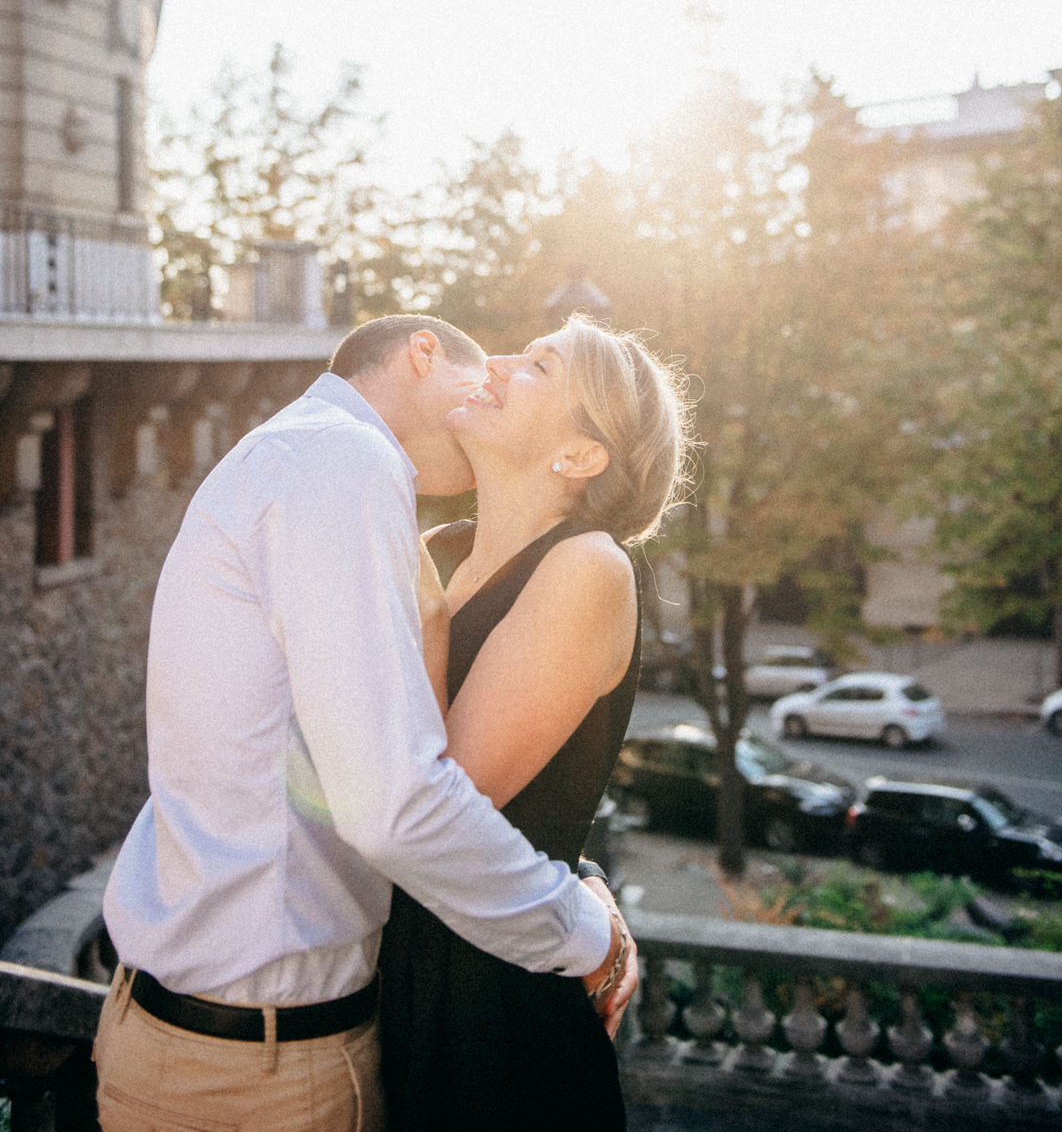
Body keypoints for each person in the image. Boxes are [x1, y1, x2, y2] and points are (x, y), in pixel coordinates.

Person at [93, 314, 633, 1132]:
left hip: (222, 1039)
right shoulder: (344, 462)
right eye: (498, 358)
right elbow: (397, 803)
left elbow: (438, 775)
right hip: (257, 1063)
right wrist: (587, 929)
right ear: (422, 353)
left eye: (536, 366)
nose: (496, 368)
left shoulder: (315, 461)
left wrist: (571, 863)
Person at [379, 314, 692, 1131]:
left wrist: (576, 891)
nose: (495, 361)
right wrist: (580, 875)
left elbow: (435, 803)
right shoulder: (438, 550)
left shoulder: (588, 567)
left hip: (487, 1010)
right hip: (386, 976)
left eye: (540, 366)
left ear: (581, 456)